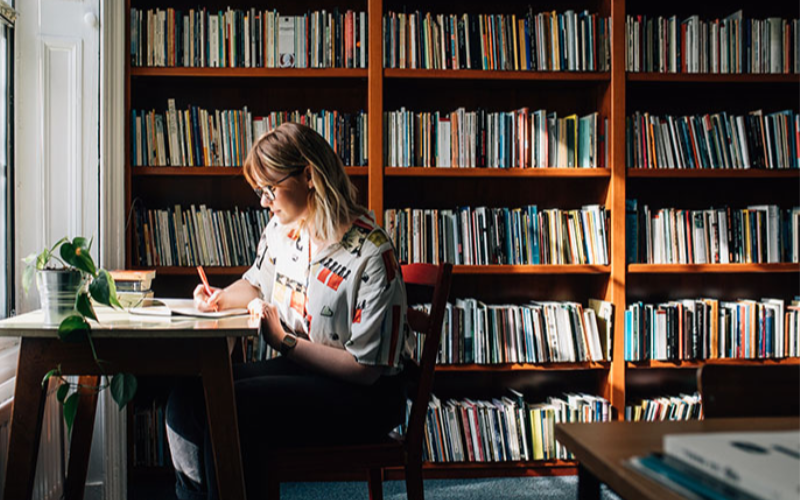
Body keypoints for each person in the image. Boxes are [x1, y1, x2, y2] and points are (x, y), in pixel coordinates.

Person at [166, 123, 411, 500]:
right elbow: (257, 282)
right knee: (187, 397)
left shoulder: (371, 252)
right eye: (260, 191)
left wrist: (285, 342)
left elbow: (366, 370)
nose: (264, 202)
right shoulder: (283, 230)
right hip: (307, 371)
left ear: (309, 176)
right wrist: (219, 297)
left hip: (367, 395)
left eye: (270, 189)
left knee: (238, 409)